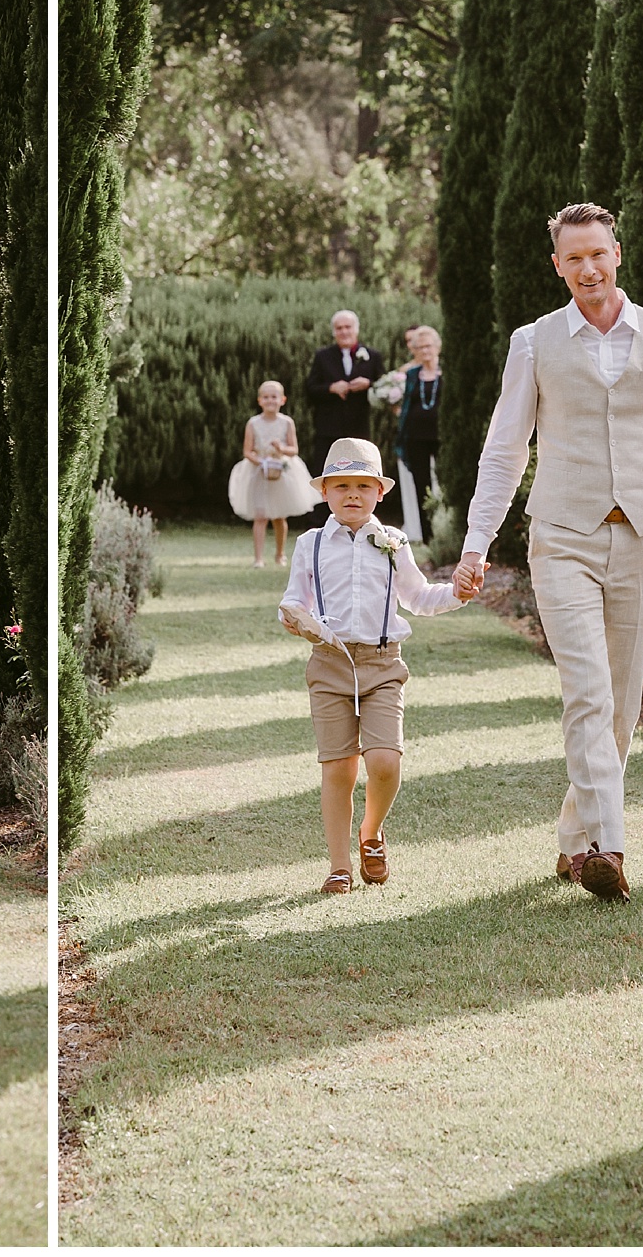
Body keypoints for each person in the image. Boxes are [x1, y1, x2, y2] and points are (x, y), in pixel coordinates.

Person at [455, 202, 643, 902]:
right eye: (574, 258)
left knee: (623, 707)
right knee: (588, 691)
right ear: (558, 265)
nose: (587, 268)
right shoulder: (534, 342)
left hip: (640, 538)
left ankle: (574, 838)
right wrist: (476, 544)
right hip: (561, 537)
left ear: (617, 253)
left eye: (597, 253)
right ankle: (609, 846)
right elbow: (505, 450)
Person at [280, 437, 467, 893]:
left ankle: (371, 831)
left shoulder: (392, 542)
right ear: (325, 491)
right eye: (341, 485)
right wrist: (292, 617)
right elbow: (293, 600)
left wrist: (458, 592)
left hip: (383, 664)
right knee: (338, 767)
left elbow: (419, 596)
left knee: (384, 760)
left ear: (379, 493)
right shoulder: (311, 544)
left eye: (363, 486)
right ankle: (338, 865)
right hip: (329, 663)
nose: (352, 494)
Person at [304, 309, 386, 527]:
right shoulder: (323, 356)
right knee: (327, 472)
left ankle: (363, 519)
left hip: (359, 427)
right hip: (328, 427)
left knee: (362, 472)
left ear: (356, 329)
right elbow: (310, 388)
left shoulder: (373, 355)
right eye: (339, 328)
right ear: (334, 332)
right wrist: (331, 387)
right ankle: (322, 522)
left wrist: (367, 384)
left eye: (348, 327)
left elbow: (384, 385)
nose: (344, 331)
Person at [227, 380, 317, 567]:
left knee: (279, 515)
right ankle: (258, 558)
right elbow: (247, 451)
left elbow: (294, 449)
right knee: (260, 515)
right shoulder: (253, 423)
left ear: (282, 400)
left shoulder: (286, 422)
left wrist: (281, 448)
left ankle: (280, 554)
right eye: (266, 397)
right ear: (260, 400)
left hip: (281, 471)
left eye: (274, 397)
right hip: (258, 472)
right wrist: (261, 461)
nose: (270, 401)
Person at [394, 325, 444, 544]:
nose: (425, 351)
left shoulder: (447, 371)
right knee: (422, 486)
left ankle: (449, 530)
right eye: (420, 347)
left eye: (428, 346)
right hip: (416, 438)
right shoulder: (412, 374)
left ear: (437, 347)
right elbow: (405, 403)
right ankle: (428, 536)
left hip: (442, 437)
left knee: (445, 483)